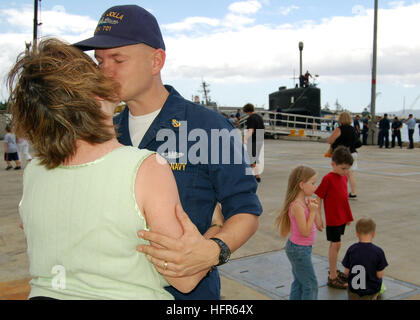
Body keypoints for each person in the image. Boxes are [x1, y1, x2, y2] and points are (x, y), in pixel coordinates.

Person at [74, 5, 262, 300]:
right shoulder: (101, 133)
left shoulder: (208, 128)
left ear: (156, 60)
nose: (104, 70)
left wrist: (214, 250)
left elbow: (246, 210)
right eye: (99, 60)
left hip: (184, 295)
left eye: (118, 58)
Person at [8, 38, 208, 299]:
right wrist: (213, 235)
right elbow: (186, 279)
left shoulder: (34, 172)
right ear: (98, 93)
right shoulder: (145, 168)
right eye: (97, 68)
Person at [275, 166, 322, 300]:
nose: (315, 186)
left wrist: (315, 209)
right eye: (313, 183)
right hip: (299, 250)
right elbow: (305, 232)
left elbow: (319, 225)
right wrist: (312, 212)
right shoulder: (297, 206)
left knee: (300, 282)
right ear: (302, 185)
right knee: (310, 285)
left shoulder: (304, 202)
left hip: (300, 249)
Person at [315, 146, 354, 289]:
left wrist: (348, 216)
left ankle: (333, 270)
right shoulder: (328, 179)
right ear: (333, 164)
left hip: (341, 217)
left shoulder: (343, 177)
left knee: (337, 244)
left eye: (348, 168)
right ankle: (332, 277)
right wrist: (318, 216)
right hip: (332, 218)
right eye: (343, 168)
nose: (346, 172)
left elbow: (343, 198)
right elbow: (318, 197)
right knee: (335, 244)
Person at [342, 218, 388, 300]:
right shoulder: (378, 252)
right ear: (373, 234)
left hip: (354, 291)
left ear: (357, 234)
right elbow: (379, 275)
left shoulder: (351, 249)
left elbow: (346, 272)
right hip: (370, 291)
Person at [327, 111, 358, 199]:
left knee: (338, 174)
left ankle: (338, 192)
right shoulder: (353, 129)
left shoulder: (339, 129)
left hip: (341, 154)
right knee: (350, 174)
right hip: (353, 153)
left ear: (340, 119)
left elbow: (330, 140)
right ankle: (353, 192)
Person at [242, 103, 265, 183]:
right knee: (254, 159)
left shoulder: (251, 118)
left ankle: (254, 176)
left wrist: (244, 138)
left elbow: (251, 130)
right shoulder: (259, 117)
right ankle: (256, 176)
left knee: (251, 159)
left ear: (246, 110)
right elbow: (263, 128)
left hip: (253, 140)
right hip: (260, 139)